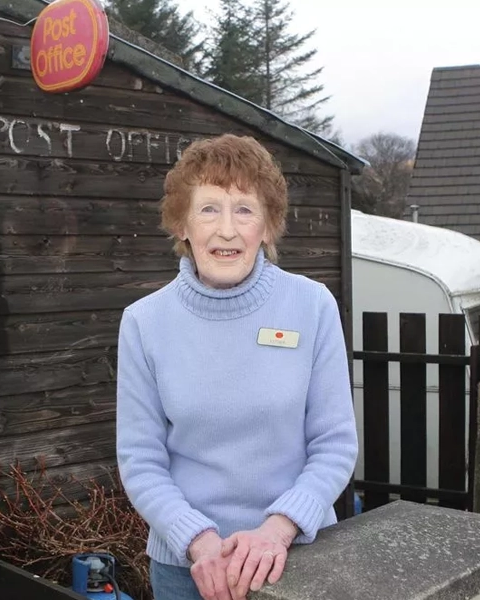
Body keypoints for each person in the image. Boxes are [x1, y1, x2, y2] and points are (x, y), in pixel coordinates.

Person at [115, 134, 359, 600]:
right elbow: (141, 461)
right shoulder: (144, 322)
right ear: (181, 224)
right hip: (188, 572)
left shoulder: (312, 306)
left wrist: (278, 530)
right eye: (208, 209)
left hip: (298, 559)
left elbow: (334, 443)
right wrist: (197, 541)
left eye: (245, 210)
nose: (226, 229)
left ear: (267, 228)